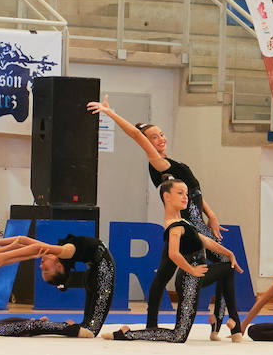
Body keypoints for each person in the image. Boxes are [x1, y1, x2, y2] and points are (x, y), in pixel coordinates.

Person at [86, 96, 231, 336]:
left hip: (189, 225)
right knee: (225, 262)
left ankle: (153, 323)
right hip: (187, 228)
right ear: (147, 142)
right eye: (154, 137)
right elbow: (134, 134)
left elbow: (193, 192)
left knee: (164, 273)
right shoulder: (158, 164)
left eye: (161, 135)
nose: (160, 139)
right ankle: (221, 320)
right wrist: (109, 113)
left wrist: (212, 214)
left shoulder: (170, 165)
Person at [103, 178, 245, 342]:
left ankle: (232, 321)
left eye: (186, 193)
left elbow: (206, 241)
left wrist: (229, 253)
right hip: (189, 281)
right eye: (180, 193)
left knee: (228, 268)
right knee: (178, 335)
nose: (185, 197)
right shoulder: (174, 225)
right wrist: (192, 270)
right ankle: (126, 334)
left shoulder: (183, 222)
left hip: (193, 279)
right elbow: (173, 254)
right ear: (167, 197)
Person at [0, 233, 116, 335]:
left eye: (42, 270)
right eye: (46, 270)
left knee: (90, 329)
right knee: (87, 327)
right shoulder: (64, 252)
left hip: (101, 268)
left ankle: (69, 328)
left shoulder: (63, 251)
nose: (41, 266)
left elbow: (26, 244)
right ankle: (70, 327)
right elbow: (26, 244)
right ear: (58, 267)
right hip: (99, 268)